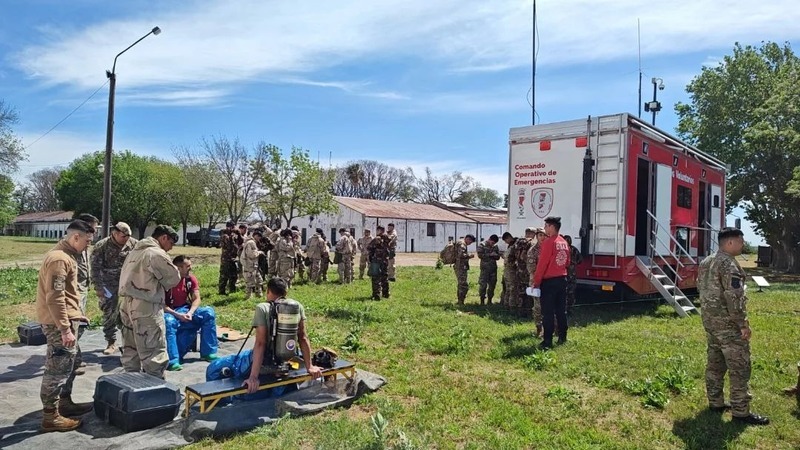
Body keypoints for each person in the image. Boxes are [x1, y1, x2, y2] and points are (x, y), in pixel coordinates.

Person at [697, 227, 769, 425]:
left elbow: (700, 290)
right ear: (730, 242)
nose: (743, 244)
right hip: (728, 326)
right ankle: (740, 412)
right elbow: (734, 298)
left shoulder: (706, 262)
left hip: (711, 323)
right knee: (739, 368)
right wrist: (743, 324)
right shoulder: (729, 264)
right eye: (740, 240)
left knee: (715, 365)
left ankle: (716, 402)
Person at [36, 219, 95, 432]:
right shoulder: (59, 259)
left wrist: (77, 315)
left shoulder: (68, 256)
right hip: (57, 324)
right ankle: (50, 416)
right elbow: (55, 297)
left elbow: (68, 295)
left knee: (69, 364)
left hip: (67, 319)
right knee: (57, 369)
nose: (88, 245)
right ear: (75, 237)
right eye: (87, 241)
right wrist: (64, 328)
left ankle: (64, 403)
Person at [118, 225, 181, 378]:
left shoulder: (135, 251)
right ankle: (156, 392)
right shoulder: (155, 253)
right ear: (164, 237)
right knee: (154, 352)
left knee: (131, 350)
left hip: (126, 305)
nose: (170, 248)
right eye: (171, 243)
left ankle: (130, 385)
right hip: (146, 307)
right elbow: (173, 279)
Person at [243, 277, 323, 394]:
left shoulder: (262, 308)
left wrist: (253, 377)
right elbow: (302, 337)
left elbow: (260, 343)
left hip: (264, 362)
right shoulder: (297, 306)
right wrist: (309, 366)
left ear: (268, 291)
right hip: (287, 359)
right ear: (285, 292)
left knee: (220, 367)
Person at [164, 256, 219, 371]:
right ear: (178, 268)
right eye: (187, 266)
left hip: (185, 309)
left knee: (208, 313)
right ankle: (173, 360)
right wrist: (177, 315)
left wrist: (190, 312)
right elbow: (160, 305)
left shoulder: (190, 280)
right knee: (169, 322)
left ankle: (208, 352)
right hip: (169, 312)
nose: (191, 268)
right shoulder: (164, 282)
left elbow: (197, 298)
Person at [90, 221, 137, 355]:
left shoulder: (134, 244)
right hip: (108, 285)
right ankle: (111, 341)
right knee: (109, 311)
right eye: (123, 237)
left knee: (129, 313)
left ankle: (129, 343)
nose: (126, 239)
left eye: (128, 237)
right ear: (115, 233)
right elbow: (95, 268)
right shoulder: (102, 246)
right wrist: (98, 287)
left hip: (128, 284)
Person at [531, 217, 570, 349]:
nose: (545, 228)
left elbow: (542, 264)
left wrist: (536, 282)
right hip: (562, 279)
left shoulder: (549, 243)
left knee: (547, 312)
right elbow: (568, 262)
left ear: (552, 227)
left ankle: (547, 340)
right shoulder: (564, 242)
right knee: (561, 311)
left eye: (546, 226)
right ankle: (563, 337)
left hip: (550, 281)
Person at [526, 227, 546, 337]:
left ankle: (551, 328)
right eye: (540, 235)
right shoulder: (533, 250)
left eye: (544, 235)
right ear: (537, 237)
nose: (542, 237)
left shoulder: (549, 248)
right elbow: (531, 269)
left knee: (549, 305)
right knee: (538, 306)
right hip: (537, 281)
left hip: (548, 281)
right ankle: (539, 328)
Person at [515, 227, 536, 318]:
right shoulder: (531, 243)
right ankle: (528, 312)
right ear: (533, 234)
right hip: (527, 271)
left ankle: (519, 311)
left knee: (520, 291)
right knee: (529, 291)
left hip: (519, 270)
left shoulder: (518, 242)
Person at [367, 226, 391, 300]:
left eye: (377, 230)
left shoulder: (377, 239)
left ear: (379, 230)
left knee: (376, 278)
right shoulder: (388, 238)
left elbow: (369, 247)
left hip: (377, 260)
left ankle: (376, 295)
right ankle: (386, 293)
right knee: (384, 277)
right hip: (385, 260)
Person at [240, 229, 265, 299]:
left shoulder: (250, 242)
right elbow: (251, 254)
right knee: (250, 282)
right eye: (259, 237)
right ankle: (248, 296)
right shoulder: (251, 243)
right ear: (256, 236)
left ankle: (258, 294)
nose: (259, 239)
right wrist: (259, 252)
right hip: (250, 265)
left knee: (259, 280)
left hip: (254, 265)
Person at [477, 234, 501, 305]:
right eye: (492, 243)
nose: (493, 244)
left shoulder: (495, 247)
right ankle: (482, 300)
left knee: (492, 285)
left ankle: (490, 300)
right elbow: (480, 255)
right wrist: (490, 255)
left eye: (494, 243)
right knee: (483, 285)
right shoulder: (482, 245)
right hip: (485, 269)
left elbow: (498, 257)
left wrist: (495, 255)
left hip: (493, 269)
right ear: (489, 239)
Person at [563, 235, 583, 315]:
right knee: (570, 293)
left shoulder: (562, 250)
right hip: (572, 275)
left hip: (564, 275)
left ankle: (565, 309)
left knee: (565, 293)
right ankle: (569, 310)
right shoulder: (574, 250)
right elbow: (580, 260)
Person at [454, 234, 476, 305]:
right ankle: (461, 301)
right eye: (470, 242)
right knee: (463, 284)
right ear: (467, 239)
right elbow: (461, 255)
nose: (470, 243)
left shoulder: (460, 242)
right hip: (461, 267)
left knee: (461, 284)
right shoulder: (462, 244)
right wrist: (470, 256)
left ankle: (460, 301)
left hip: (459, 266)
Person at [218, 221, 238, 295]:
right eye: (233, 227)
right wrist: (233, 238)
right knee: (224, 276)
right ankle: (222, 291)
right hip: (226, 259)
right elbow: (231, 246)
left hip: (231, 259)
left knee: (233, 275)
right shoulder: (225, 236)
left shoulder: (231, 235)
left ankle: (232, 290)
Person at [500, 232, 518, 308]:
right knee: (507, 287)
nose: (505, 242)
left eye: (505, 240)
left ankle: (512, 306)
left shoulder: (516, 245)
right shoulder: (510, 245)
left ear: (509, 238)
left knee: (512, 288)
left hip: (512, 270)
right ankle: (506, 304)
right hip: (507, 270)